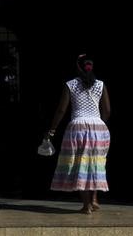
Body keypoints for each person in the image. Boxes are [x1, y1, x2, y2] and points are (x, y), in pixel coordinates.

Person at [48, 54, 111, 214]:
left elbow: (62, 110)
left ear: (78, 66)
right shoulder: (100, 85)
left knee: (80, 164)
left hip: (78, 127)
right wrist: (98, 123)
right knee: (96, 162)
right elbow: (107, 110)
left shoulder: (71, 85)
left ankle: (86, 205)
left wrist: (52, 129)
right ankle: (95, 198)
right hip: (98, 127)